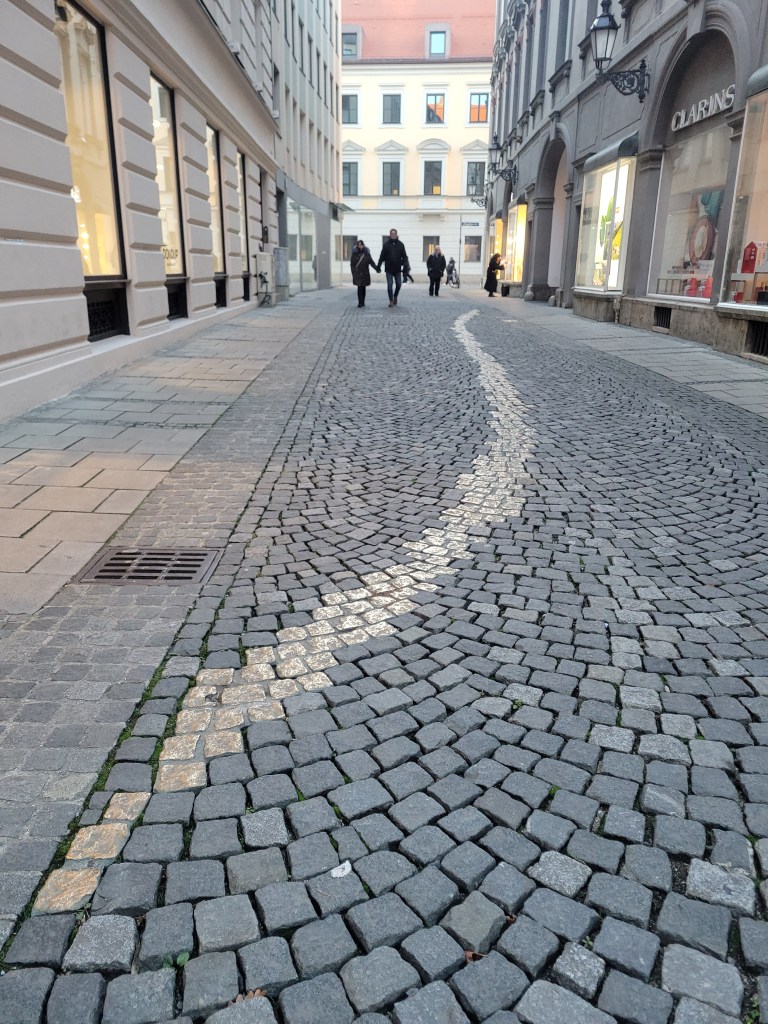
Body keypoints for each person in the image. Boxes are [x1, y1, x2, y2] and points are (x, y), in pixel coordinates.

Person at [376, 228, 410, 306]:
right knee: (390, 285)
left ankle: (395, 296)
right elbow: (382, 256)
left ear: (396, 235)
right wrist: (378, 266)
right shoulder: (386, 245)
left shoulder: (401, 244)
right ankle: (391, 300)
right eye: (392, 234)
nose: (393, 235)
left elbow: (404, 256)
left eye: (394, 234)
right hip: (389, 269)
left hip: (397, 269)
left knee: (399, 284)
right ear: (390, 235)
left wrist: (405, 265)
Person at [350, 239, 378, 308]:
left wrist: (377, 269)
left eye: (361, 245)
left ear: (363, 245)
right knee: (359, 287)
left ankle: (363, 302)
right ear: (357, 245)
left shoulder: (367, 253)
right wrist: (353, 273)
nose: (360, 246)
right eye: (359, 245)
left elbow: (371, 262)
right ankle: (360, 302)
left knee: (363, 288)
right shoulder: (354, 254)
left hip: (365, 273)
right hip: (358, 273)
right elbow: (352, 264)